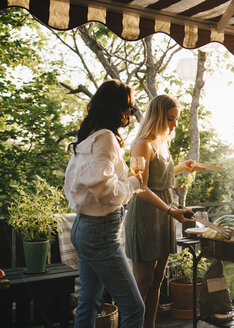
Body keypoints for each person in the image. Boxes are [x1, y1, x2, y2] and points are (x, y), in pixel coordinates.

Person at [64, 79, 145, 327]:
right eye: (129, 107)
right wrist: (132, 183)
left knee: (88, 303)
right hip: (99, 233)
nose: (130, 113)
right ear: (117, 107)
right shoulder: (106, 139)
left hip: (83, 227)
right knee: (134, 308)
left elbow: (76, 183)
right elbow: (104, 189)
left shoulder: (88, 137)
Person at [124, 94, 202, 328]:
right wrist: (170, 210)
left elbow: (160, 178)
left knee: (158, 282)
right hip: (148, 214)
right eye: (170, 119)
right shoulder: (142, 144)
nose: (174, 124)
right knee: (143, 283)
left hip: (165, 212)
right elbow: (140, 187)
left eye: (176, 119)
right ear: (157, 116)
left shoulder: (161, 143)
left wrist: (180, 168)